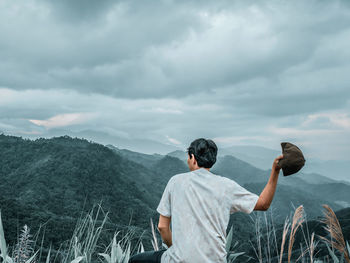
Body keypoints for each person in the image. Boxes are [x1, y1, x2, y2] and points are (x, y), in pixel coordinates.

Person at [129, 138, 283, 263]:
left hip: (179, 259)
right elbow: (264, 204)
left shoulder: (176, 182)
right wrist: (275, 171)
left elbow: (162, 227)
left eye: (188, 157)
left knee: (135, 260)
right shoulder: (226, 186)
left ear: (192, 158)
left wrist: (174, 248)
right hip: (215, 260)